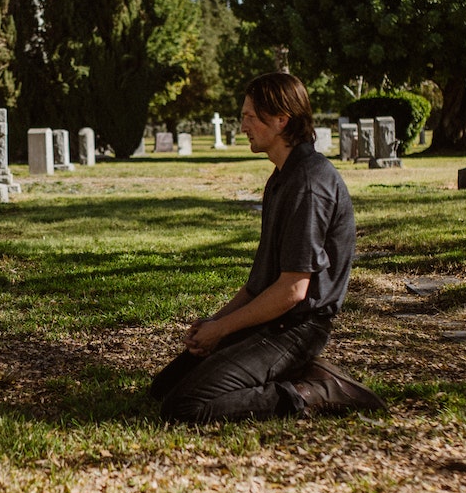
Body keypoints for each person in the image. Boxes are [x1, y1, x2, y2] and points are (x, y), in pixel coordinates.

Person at [150, 72, 383, 422]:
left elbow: (293, 290)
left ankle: (313, 390)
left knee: (184, 407)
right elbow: (258, 285)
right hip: (271, 320)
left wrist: (224, 330)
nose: (242, 125)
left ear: (281, 120)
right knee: (163, 389)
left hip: (296, 330)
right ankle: (295, 373)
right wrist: (215, 322)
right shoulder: (281, 177)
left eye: (250, 116)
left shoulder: (309, 183)